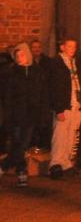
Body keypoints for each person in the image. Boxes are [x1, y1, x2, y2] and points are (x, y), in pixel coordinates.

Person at [1, 43, 47, 186]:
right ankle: (22, 172)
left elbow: (42, 94)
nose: (20, 58)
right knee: (17, 144)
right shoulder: (11, 73)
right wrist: (7, 115)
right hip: (16, 114)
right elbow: (7, 96)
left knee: (22, 144)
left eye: (22, 55)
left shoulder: (37, 72)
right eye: (17, 55)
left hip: (31, 115)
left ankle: (4, 166)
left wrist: (42, 114)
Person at [48, 37, 81, 179]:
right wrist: (59, 108)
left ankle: (66, 163)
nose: (72, 49)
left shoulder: (74, 63)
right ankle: (55, 163)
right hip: (64, 105)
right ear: (62, 47)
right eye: (69, 46)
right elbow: (55, 87)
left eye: (74, 47)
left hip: (76, 104)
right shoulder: (57, 64)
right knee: (60, 135)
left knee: (71, 136)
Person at [29, 39, 52, 150]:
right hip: (32, 98)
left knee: (44, 124)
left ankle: (44, 147)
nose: (36, 49)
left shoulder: (48, 62)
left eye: (38, 47)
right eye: (34, 47)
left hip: (44, 98)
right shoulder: (28, 62)